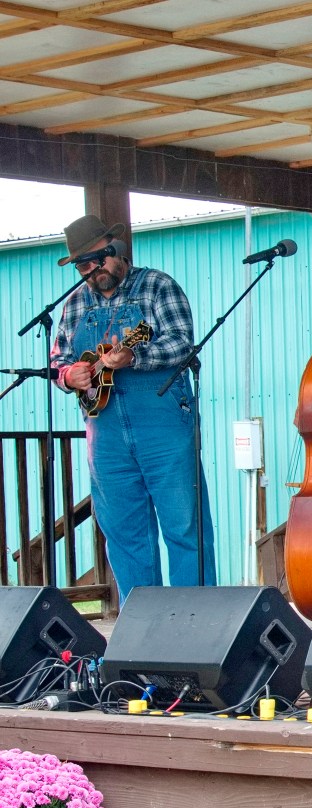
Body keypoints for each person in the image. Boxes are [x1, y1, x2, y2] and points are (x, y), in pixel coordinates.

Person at [51, 215, 216, 604]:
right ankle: (143, 624)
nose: (90, 271)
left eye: (95, 260)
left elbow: (182, 343)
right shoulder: (74, 303)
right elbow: (59, 359)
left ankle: (198, 619)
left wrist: (135, 356)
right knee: (123, 532)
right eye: (81, 265)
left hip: (162, 423)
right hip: (104, 433)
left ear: (116, 248)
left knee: (185, 525)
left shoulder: (157, 286)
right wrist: (68, 375)